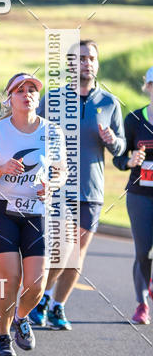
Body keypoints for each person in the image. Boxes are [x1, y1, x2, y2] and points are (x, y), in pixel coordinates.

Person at [30, 40, 126, 330]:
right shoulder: (54, 98)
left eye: (91, 58)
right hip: (59, 189)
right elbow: (36, 137)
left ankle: (55, 305)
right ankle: (36, 301)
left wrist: (112, 140)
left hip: (92, 190)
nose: (86, 63)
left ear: (97, 63)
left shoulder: (110, 103)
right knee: (64, 249)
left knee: (77, 257)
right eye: (80, 58)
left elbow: (121, 149)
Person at [0, 73, 66, 356]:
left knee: (37, 284)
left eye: (32, 90)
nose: (27, 94)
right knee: (10, 278)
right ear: (9, 98)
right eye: (20, 90)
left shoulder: (52, 132)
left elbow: (61, 171)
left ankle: (21, 318)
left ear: (38, 98)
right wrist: (1, 170)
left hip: (36, 213)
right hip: (0, 210)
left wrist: (52, 185)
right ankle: (3, 337)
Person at [112, 65, 153, 325]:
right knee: (143, 252)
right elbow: (118, 156)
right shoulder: (135, 120)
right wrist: (130, 161)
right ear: (148, 87)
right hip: (140, 196)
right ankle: (141, 304)